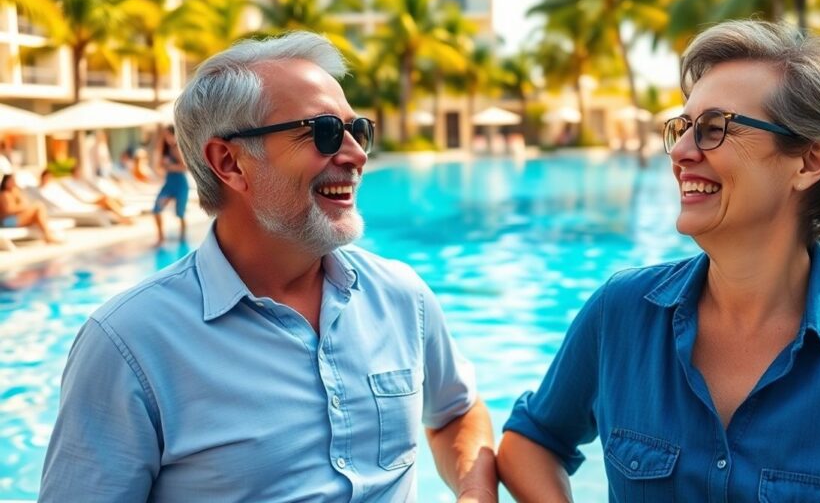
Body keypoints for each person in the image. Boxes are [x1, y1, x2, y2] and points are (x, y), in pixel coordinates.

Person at [498, 20, 820, 501]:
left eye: (714, 129)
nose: (681, 152)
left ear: (810, 162)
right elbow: (533, 441)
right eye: (683, 128)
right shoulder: (620, 312)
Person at [40, 31, 497, 503]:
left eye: (356, 130)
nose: (358, 155)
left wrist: (475, 491)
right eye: (323, 132)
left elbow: (455, 413)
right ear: (230, 162)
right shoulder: (130, 344)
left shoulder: (402, 296)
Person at [152, 125, 190, 245]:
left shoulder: (178, 148)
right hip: (169, 183)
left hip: (180, 183)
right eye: (164, 135)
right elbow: (158, 166)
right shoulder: (165, 149)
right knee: (156, 209)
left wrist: (169, 166)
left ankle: (183, 237)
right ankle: (161, 237)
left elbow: (185, 167)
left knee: (180, 213)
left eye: (166, 134)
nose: (165, 137)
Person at [60, 164, 133, 225]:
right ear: (74, 172)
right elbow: (78, 195)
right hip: (87, 200)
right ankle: (122, 217)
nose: (79, 173)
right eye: (78, 171)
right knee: (106, 199)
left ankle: (119, 217)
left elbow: (88, 191)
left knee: (114, 198)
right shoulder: (70, 182)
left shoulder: (81, 182)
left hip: (92, 197)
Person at [0, 173, 62, 243]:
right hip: (7, 221)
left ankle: (48, 234)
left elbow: (24, 203)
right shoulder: (4, 195)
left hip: (15, 218)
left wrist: (19, 197)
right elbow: (9, 211)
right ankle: (48, 235)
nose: (13, 183)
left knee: (38, 215)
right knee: (38, 207)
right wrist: (22, 207)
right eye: (11, 181)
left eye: (14, 181)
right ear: (5, 182)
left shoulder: (14, 193)